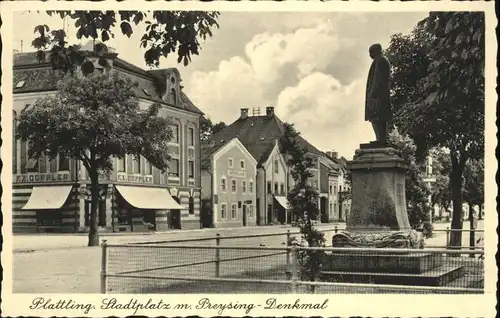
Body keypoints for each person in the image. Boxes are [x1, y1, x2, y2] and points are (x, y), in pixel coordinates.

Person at [365, 43, 392, 144]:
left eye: (370, 52)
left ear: (376, 51)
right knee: (378, 118)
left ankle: (380, 139)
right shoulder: (382, 60)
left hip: (378, 96)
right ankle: (381, 139)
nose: (369, 55)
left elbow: (377, 79)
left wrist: (372, 94)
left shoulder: (380, 60)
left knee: (377, 117)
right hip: (381, 95)